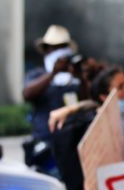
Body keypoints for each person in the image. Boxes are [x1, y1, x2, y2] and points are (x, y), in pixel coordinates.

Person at [23, 25, 85, 176]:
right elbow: (27, 94)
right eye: (55, 48)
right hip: (46, 145)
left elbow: (88, 100)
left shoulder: (75, 78)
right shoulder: (38, 74)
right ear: (47, 50)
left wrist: (80, 76)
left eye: (63, 47)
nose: (59, 52)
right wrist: (53, 73)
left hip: (72, 145)